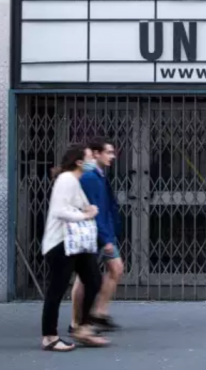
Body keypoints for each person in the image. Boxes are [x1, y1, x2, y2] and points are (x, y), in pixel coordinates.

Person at [40, 144, 110, 352]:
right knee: (57, 289)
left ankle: (83, 328)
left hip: (75, 244)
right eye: (89, 157)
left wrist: (88, 208)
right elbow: (60, 211)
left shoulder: (75, 180)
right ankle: (49, 336)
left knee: (94, 280)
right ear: (79, 162)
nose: (92, 159)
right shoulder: (67, 180)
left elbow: (79, 205)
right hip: (60, 244)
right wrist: (85, 214)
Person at [70, 138, 123, 333]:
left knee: (115, 269)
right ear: (96, 154)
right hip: (95, 235)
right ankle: (78, 321)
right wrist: (106, 239)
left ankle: (98, 313)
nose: (112, 156)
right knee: (84, 277)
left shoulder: (98, 175)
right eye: (108, 152)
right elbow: (93, 209)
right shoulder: (91, 177)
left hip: (102, 233)